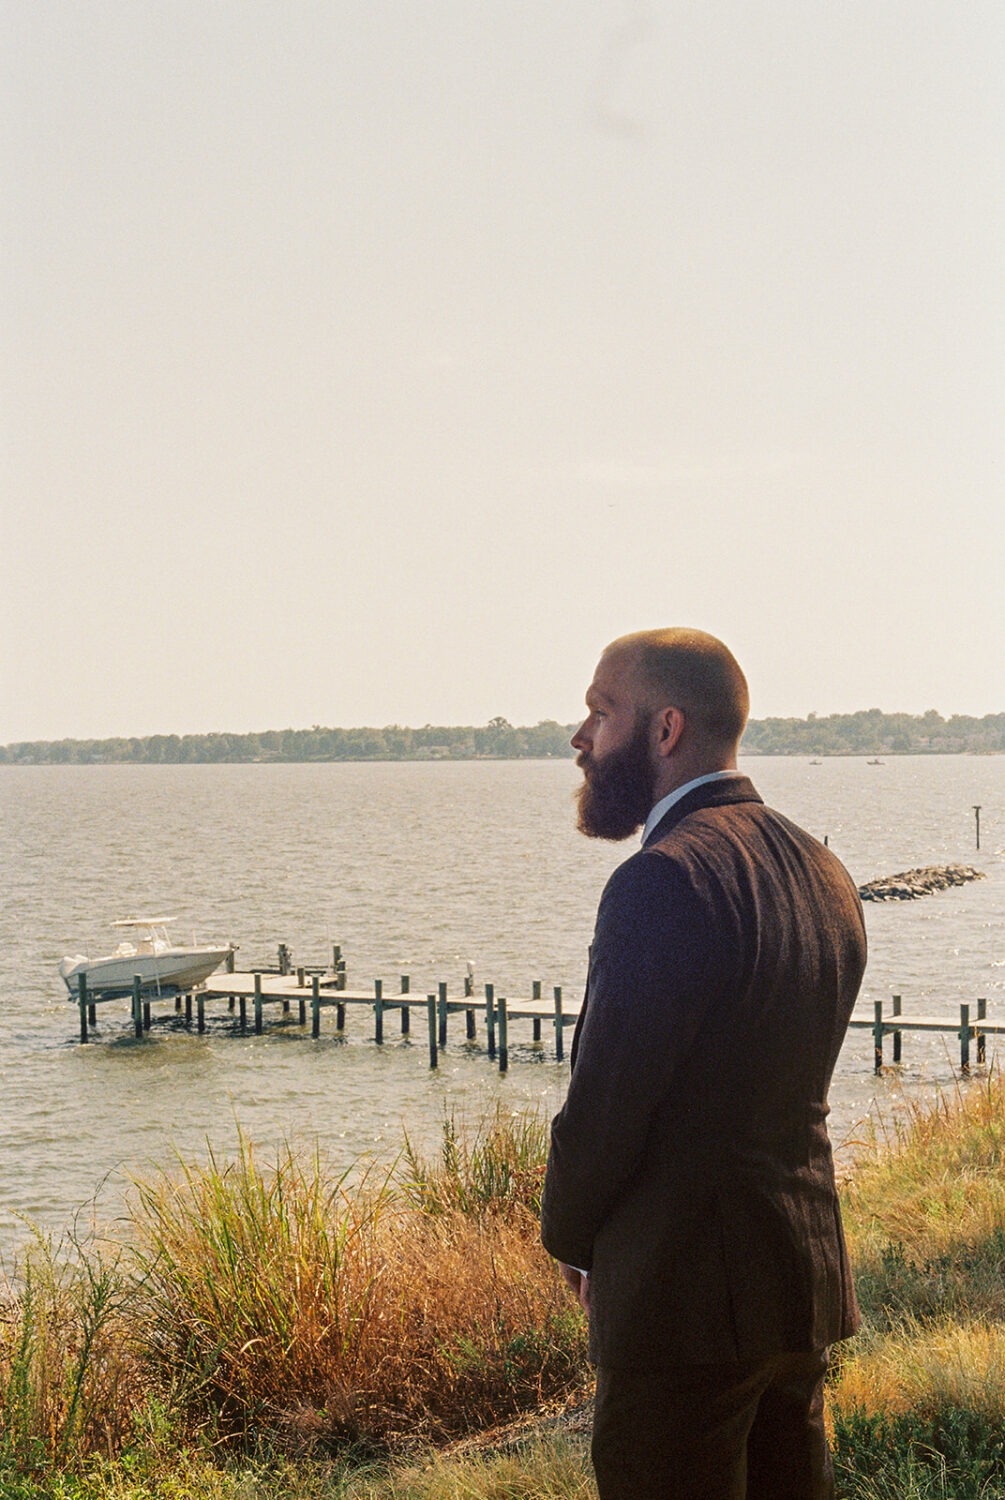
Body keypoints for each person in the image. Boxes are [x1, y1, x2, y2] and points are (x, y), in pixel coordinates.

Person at [540, 628, 867, 1500]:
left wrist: (570, 1239)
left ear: (665, 728)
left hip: (682, 1303)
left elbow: (606, 1105)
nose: (578, 736)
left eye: (600, 712)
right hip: (795, 1288)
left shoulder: (663, 879)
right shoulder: (821, 868)